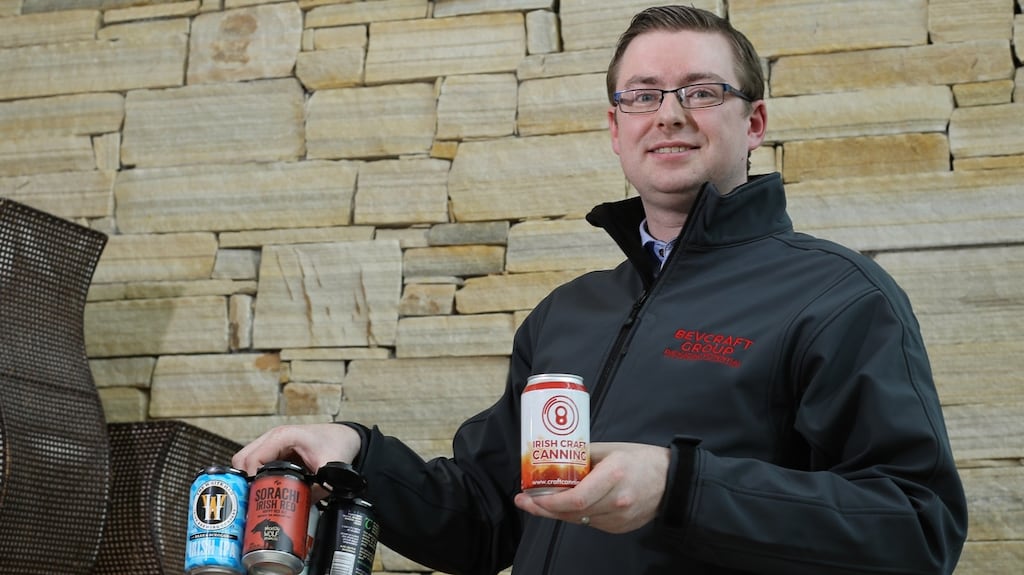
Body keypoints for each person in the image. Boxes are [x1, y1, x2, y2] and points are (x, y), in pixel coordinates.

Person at [234, 5, 968, 574]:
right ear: (616, 128)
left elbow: (918, 527)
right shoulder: (568, 313)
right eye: (643, 95)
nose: (670, 113)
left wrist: (681, 487)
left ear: (755, 123)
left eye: (702, 91)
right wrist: (357, 453)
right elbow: (486, 516)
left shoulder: (839, 297)